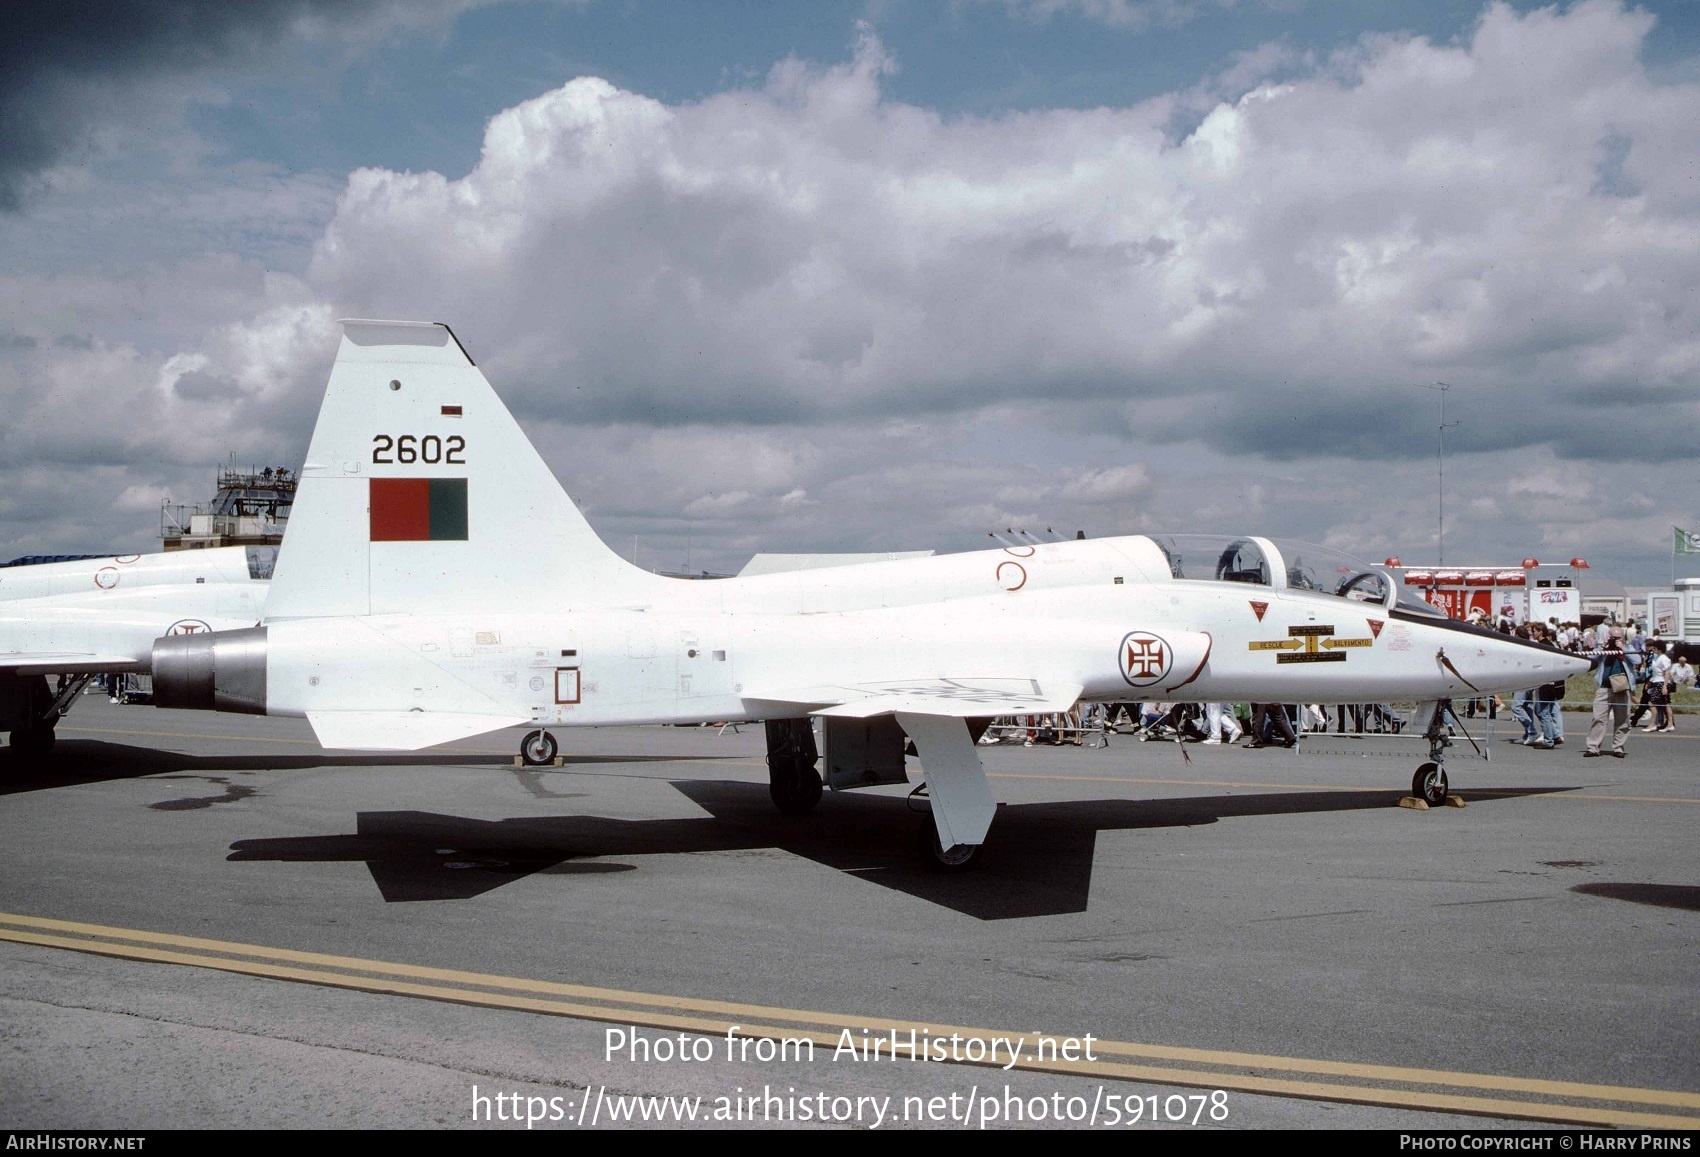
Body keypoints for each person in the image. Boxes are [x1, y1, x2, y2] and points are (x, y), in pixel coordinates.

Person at [1583, 627, 1637, 758]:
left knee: (1623, 719)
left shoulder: (1628, 648)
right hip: (1605, 687)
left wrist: (1623, 648)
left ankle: (1618, 747)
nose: (1615, 640)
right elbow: (1591, 657)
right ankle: (1593, 747)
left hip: (1622, 688)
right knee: (1598, 718)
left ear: (1623, 638)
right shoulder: (1605, 649)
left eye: (1617, 638)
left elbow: (1638, 660)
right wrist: (1604, 646)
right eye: (1613, 637)